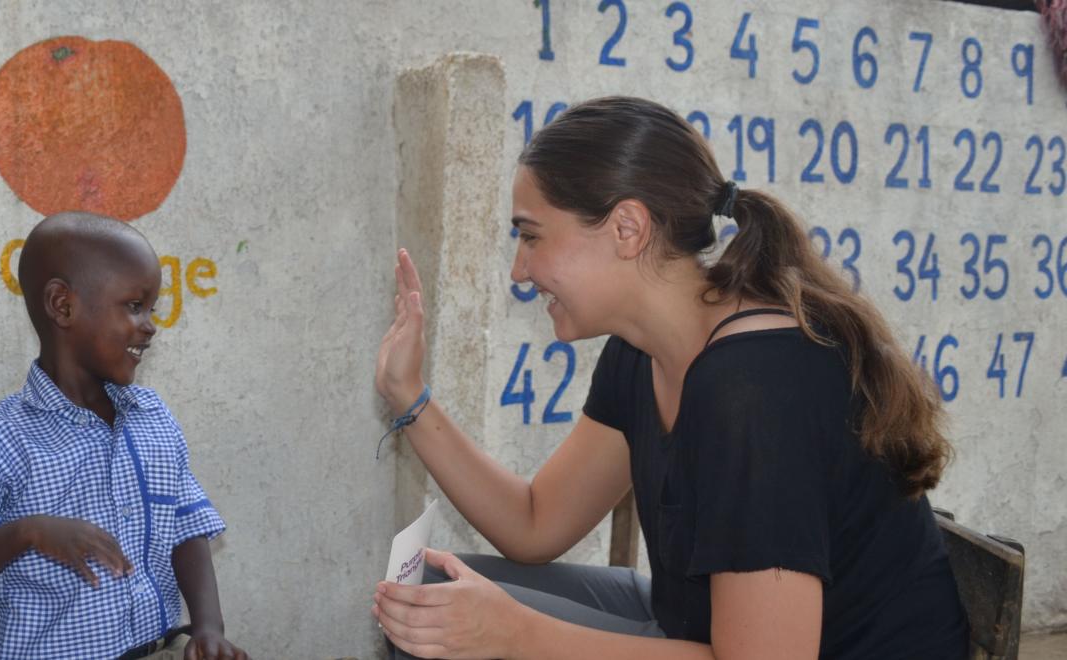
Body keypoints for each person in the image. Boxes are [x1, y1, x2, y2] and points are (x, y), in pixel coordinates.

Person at [370, 96, 969, 659]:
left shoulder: (755, 391)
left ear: (627, 228)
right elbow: (535, 523)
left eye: (530, 236)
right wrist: (409, 396)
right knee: (425, 595)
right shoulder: (642, 352)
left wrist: (515, 633)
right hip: (690, 624)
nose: (520, 271)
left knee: (448, 630)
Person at [0, 211, 247, 659]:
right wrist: (28, 532)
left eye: (150, 308)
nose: (151, 325)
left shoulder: (152, 418)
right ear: (62, 305)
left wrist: (209, 627)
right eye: (135, 306)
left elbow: (187, 528)